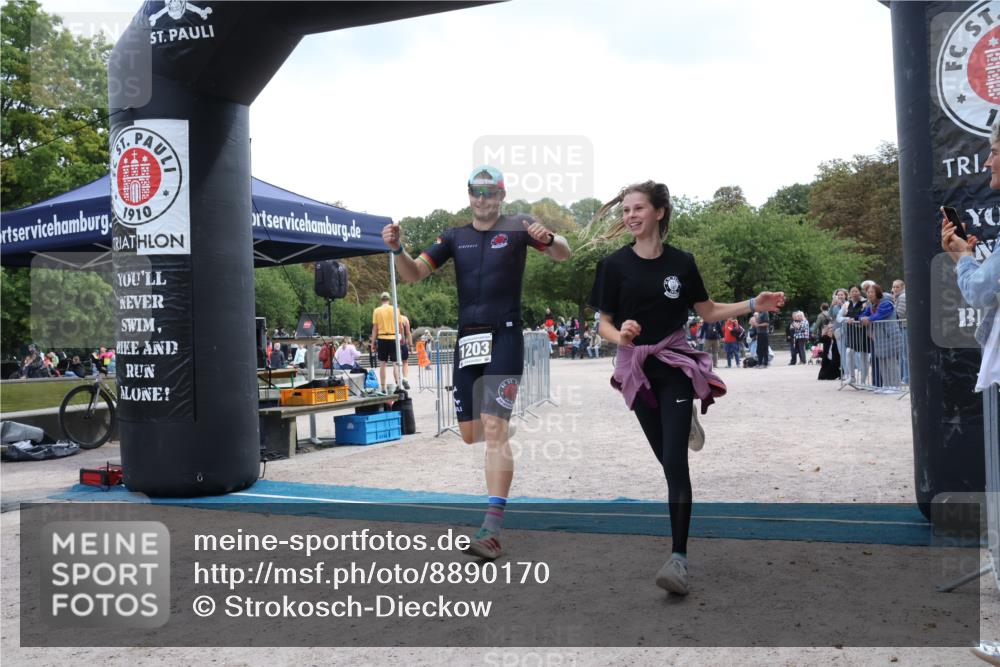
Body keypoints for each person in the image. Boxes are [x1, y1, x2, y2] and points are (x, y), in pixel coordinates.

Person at [587, 180, 784, 595]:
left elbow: (707, 310)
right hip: (636, 367)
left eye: (638, 208)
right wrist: (618, 332)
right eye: (625, 211)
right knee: (664, 458)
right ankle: (685, 422)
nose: (630, 216)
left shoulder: (682, 262)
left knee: (676, 463)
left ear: (658, 212)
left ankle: (678, 559)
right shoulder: (614, 265)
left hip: (674, 364)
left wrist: (753, 304)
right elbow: (602, 321)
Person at [382, 165, 571, 559]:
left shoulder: (519, 225)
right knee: (471, 433)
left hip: (504, 335)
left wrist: (550, 237)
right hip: (468, 338)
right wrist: (397, 249)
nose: (482, 199)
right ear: (468, 195)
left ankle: (492, 528)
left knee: (493, 429)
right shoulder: (454, 236)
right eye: (476, 192)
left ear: (501, 196)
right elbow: (415, 274)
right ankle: (499, 425)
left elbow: (562, 254)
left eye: (490, 192)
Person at [860, 283, 901, 391]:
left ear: (877, 292)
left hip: (889, 335)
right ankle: (886, 385)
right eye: (868, 292)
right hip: (879, 336)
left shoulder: (886, 303)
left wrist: (868, 319)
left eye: (871, 292)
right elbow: (863, 315)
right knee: (882, 361)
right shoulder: (872, 304)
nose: (869, 294)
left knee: (891, 361)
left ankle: (895, 386)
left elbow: (879, 315)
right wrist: (861, 319)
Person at [370, 292, 401, 390]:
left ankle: (383, 387)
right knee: (395, 363)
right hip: (393, 338)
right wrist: (402, 337)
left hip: (382, 338)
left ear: (381, 300)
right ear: (389, 300)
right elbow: (399, 326)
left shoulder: (377, 311)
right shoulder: (395, 309)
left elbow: (375, 328)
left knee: (382, 364)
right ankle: (398, 384)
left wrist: (372, 343)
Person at [398, 311, 413, 391]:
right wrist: (411, 346)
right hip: (403, 343)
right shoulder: (404, 319)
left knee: (395, 363)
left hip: (393, 343)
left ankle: (398, 382)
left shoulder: (390, 319)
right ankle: (404, 378)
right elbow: (408, 333)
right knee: (405, 362)